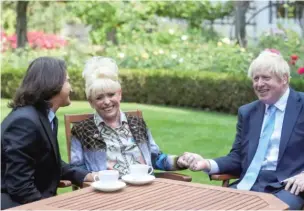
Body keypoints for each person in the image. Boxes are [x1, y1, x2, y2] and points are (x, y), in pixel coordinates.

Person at [178, 50, 304, 210]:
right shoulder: (248, 112)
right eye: (255, 78)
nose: (259, 84)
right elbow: (238, 157)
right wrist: (206, 163)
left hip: (290, 189)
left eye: (265, 78)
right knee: (202, 205)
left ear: (284, 79)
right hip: (249, 185)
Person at [1, 57, 95, 210]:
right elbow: (20, 186)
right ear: (54, 83)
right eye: (68, 81)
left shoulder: (45, 117)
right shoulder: (24, 122)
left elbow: (51, 162)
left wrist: (86, 176)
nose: (71, 88)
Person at [70, 56, 188, 176]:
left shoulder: (137, 124)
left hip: (144, 187)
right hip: (109, 190)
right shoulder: (82, 130)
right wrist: (97, 181)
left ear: (119, 94)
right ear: (91, 102)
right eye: (99, 97)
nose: (106, 102)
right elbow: (78, 169)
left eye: (111, 95)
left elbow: (155, 158)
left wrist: (179, 161)